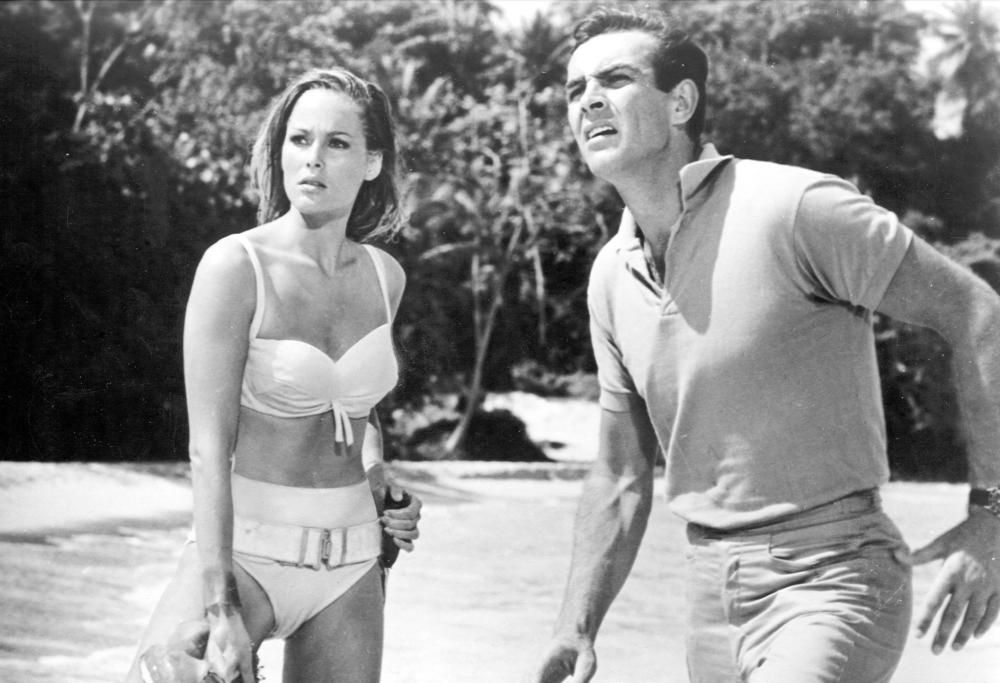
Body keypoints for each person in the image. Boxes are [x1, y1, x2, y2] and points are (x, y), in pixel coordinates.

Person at [531, 7, 1000, 683]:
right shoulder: (610, 275)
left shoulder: (795, 207)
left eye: (616, 79)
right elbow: (620, 474)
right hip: (708, 598)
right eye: (575, 90)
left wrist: (991, 517)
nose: (589, 101)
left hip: (835, 577)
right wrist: (576, 626)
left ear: (681, 103)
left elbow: (977, 313)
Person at [126, 67, 423, 683]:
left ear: (372, 162)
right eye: (300, 139)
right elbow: (208, 450)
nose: (313, 158)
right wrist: (221, 606)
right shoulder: (235, 266)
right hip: (246, 552)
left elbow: (357, 409)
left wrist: (377, 474)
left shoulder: (385, 276)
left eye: (337, 143)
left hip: (351, 561)